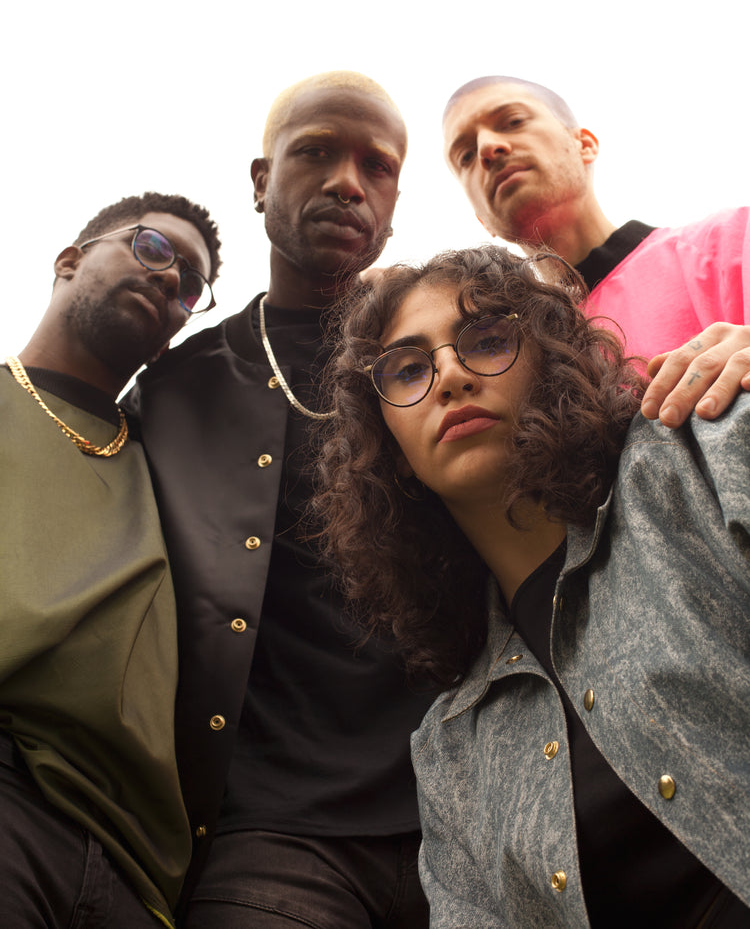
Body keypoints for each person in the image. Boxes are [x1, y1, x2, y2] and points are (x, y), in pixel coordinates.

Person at [314, 245, 750, 927]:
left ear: (551, 362)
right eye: (407, 369)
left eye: (486, 341)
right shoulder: (450, 751)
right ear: (387, 446)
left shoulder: (698, 462)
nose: (451, 375)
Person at [125, 72, 433, 927]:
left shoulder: (453, 365)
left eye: (378, 167)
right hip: (271, 836)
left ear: (395, 205)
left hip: (469, 807)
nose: (347, 181)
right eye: (316, 152)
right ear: (261, 182)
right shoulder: (177, 389)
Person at [1, 192, 221, 928]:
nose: (168, 279)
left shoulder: (180, 470)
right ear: (68, 261)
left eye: (190, 283)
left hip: (140, 870)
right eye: (152, 248)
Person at [442, 74, 750, 429]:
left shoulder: (728, 239)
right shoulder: (513, 362)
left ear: (584, 144)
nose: (486, 149)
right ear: (482, 220)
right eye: (465, 155)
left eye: (513, 122)